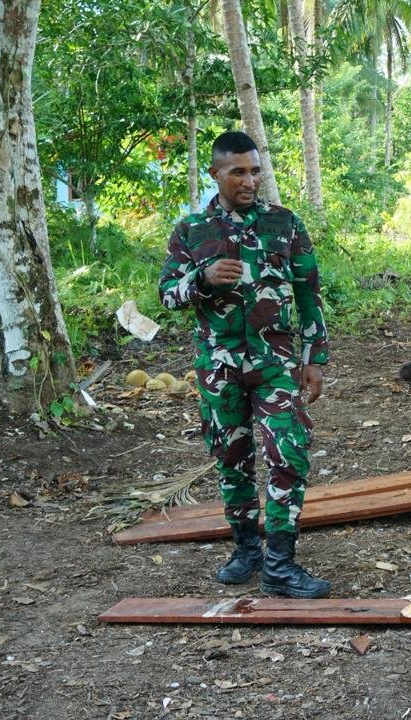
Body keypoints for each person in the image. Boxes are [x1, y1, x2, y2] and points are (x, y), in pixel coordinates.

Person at [158, 131, 333, 599]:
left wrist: (315, 357)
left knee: (289, 453)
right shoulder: (192, 230)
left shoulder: (284, 223)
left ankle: (280, 564)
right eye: (238, 172)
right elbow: (167, 294)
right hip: (219, 366)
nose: (249, 181)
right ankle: (247, 551)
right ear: (215, 174)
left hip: (275, 362)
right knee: (231, 460)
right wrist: (203, 279)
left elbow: (309, 293)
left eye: (255, 171)